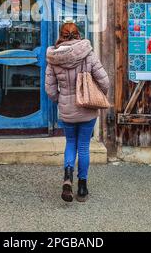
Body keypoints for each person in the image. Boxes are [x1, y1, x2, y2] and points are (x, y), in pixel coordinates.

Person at [45, 22, 109, 203]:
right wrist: (96, 95)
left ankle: (67, 178)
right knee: (83, 146)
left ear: (61, 35)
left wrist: (61, 99)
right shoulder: (88, 53)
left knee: (70, 143)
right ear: (78, 34)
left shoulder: (54, 57)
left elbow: (50, 90)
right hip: (87, 109)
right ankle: (82, 186)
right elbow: (105, 81)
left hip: (67, 109)